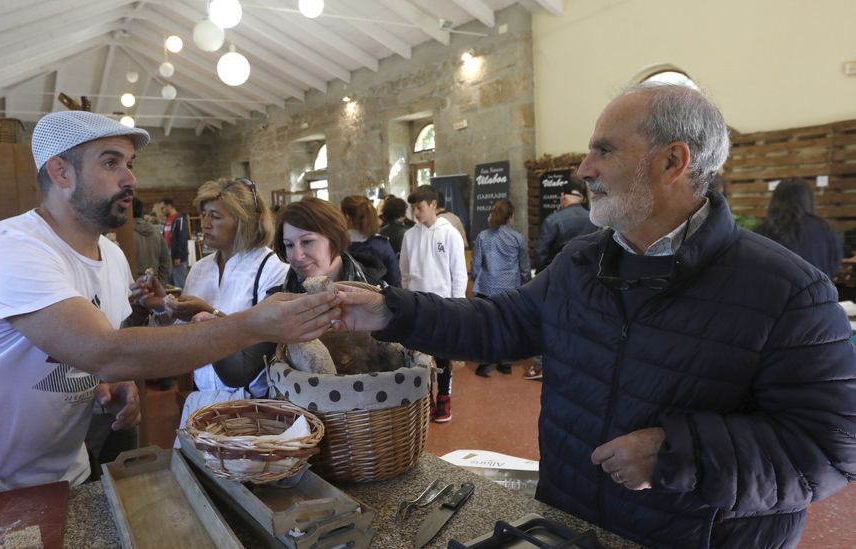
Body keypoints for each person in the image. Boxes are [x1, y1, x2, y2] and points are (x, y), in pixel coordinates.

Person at [334, 83, 856, 548]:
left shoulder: (787, 291)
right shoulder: (584, 260)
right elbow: (500, 323)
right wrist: (388, 310)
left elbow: (829, 451)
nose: (584, 169)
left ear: (673, 162)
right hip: (570, 521)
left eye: (603, 150)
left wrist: (679, 454)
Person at [0, 111, 338, 528]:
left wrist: (103, 384)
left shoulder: (112, 255)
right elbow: (103, 351)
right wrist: (253, 324)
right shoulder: (10, 248)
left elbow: (100, 347)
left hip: (55, 474)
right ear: (61, 172)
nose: (130, 178)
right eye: (110, 163)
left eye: (130, 163)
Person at [147, 178, 289, 426]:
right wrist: (166, 308)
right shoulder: (201, 269)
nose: (204, 224)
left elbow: (261, 335)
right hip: (203, 396)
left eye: (215, 216)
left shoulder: (272, 268)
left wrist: (208, 312)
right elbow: (186, 335)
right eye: (203, 214)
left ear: (244, 221)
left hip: (252, 403)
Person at [402, 185, 467, 423]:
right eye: (413, 209)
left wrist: (458, 307)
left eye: (419, 207)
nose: (415, 213)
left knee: (442, 355)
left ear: (432, 205)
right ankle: (426, 396)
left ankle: (444, 396)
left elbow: (459, 274)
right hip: (417, 305)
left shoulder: (450, 234)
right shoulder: (410, 236)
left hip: (443, 305)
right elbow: (405, 274)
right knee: (420, 355)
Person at [271, 197, 386, 293]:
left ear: (335, 237)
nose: (297, 256)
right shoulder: (274, 306)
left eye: (307, 242)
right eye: (289, 245)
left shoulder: (381, 296)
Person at [471, 199, 531, 377]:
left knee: (487, 326)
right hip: (510, 289)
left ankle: (485, 362)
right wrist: (525, 283)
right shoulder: (518, 238)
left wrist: (477, 279)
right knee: (508, 325)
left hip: (486, 288)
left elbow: (476, 266)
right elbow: (524, 267)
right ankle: (505, 363)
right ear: (511, 217)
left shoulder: (483, 236)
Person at [755, 178, 842, 279]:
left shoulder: (762, 231)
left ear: (775, 200)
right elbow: (835, 264)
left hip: (774, 292)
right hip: (817, 292)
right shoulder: (825, 229)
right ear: (808, 200)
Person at [536, 177, 598, 272]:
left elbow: (542, 254)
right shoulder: (593, 217)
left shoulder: (552, 220)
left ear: (562, 196)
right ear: (581, 199)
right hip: (588, 273)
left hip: (560, 274)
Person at [341, 195, 401, 287]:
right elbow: (395, 280)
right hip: (379, 297)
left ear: (347, 217)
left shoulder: (338, 245)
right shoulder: (382, 244)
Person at [132, 197, 171, 282]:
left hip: (132, 285)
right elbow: (166, 261)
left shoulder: (125, 234)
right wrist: (161, 284)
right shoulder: (156, 232)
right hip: (153, 282)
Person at [161, 196, 189, 288]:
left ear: (169, 206)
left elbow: (182, 238)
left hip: (177, 258)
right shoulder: (167, 220)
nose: (162, 211)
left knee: (179, 283)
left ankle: (184, 300)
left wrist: (178, 256)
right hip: (169, 256)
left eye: (163, 208)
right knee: (171, 284)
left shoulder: (179, 219)